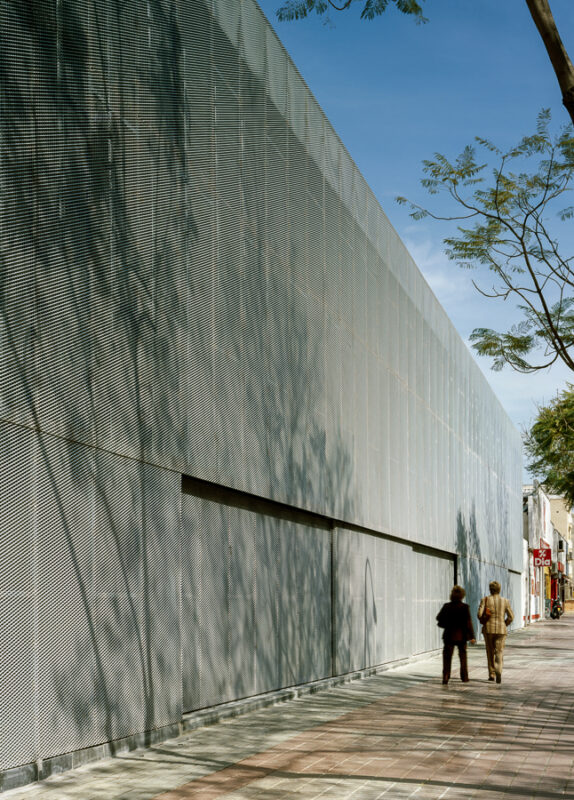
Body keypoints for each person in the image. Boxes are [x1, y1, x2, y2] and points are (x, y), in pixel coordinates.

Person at [436, 585, 476, 685]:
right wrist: (472, 636)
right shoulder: (465, 607)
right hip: (461, 636)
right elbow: (468, 623)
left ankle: (445, 676)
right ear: (462, 596)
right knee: (463, 656)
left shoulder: (446, 606)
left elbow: (438, 618)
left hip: (449, 635)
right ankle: (464, 677)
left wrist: (445, 624)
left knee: (447, 657)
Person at [478, 581, 514, 684]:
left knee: (490, 652)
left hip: (488, 630)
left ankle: (492, 674)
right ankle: (499, 671)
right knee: (499, 651)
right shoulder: (505, 601)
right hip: (501, 630)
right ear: (499, 589)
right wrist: (505, 624)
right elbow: (511, 617)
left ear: (490, 589)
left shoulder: (485, 600)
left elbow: (479, 615)